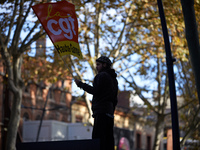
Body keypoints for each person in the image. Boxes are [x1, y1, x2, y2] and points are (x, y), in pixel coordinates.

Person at [75, 56, 118, 150]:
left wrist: (81, 84)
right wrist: (111, 110)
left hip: (101, 112)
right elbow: (115, 99)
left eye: (98, 65)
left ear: (104, 65)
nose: (96, 67)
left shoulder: (101, 76)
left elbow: (95, 91)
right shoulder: (114, 79)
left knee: (98, 140)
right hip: (109, 113)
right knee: (108, 140)